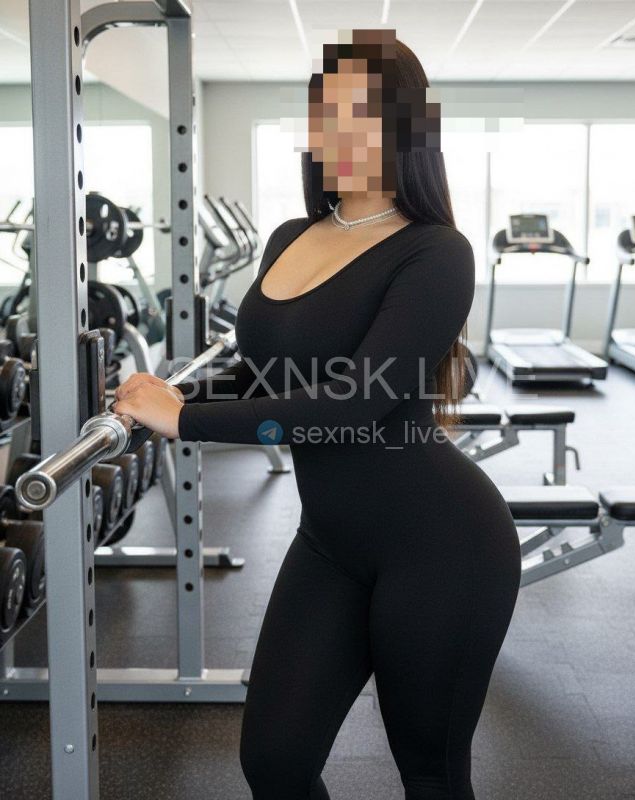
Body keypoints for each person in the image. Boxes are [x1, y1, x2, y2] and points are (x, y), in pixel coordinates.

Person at [115, 29, 521, 800]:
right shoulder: (291, 237)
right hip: (330, 544)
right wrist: (161, 397)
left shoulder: (435, 251)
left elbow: (355, 404)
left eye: (358, 113)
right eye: (322, 113)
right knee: (274, 763)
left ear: (404, 129)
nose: (334, 131)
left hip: (442, 547)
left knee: (430, 774)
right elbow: (264, 373)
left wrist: (186, 423)